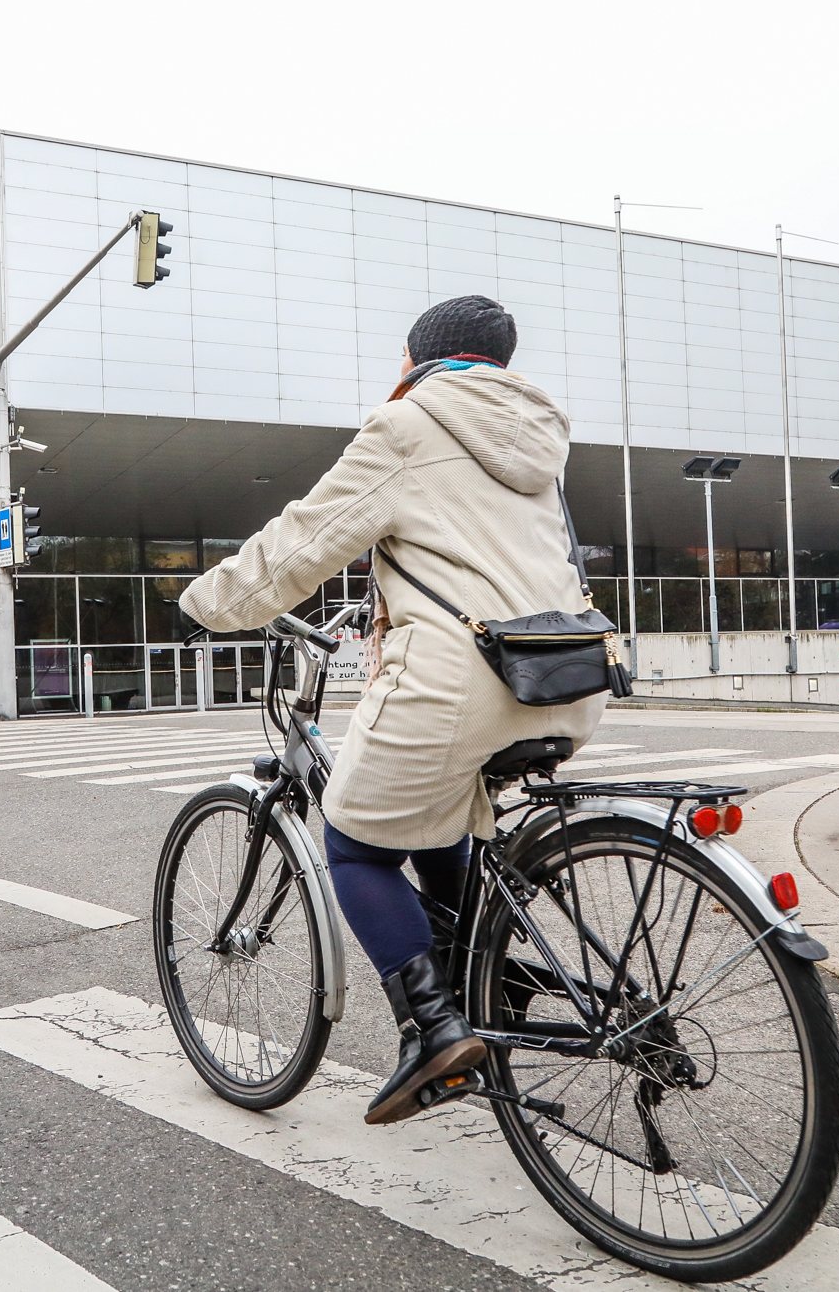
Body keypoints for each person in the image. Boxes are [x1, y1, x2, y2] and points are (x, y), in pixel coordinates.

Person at [181, 296, 605, 1125]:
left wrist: (206, 603)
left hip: (464, 678)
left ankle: (433, 1028)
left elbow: (304, 541)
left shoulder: (407, 426)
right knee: (442, 820)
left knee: (355, 843)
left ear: (419, 358)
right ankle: (484, 982)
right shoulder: (540, 439)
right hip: (561, 674)